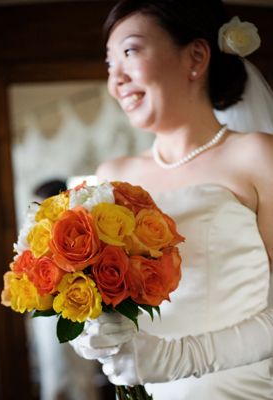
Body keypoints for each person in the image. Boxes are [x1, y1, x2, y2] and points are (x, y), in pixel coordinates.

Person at [70, 1, 273, 399]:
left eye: (129, 52)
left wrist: (179, 358)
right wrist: (92, 329)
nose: (116, 80)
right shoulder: (112, 174)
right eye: (110, 64)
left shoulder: (257, 156)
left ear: (196, 56)